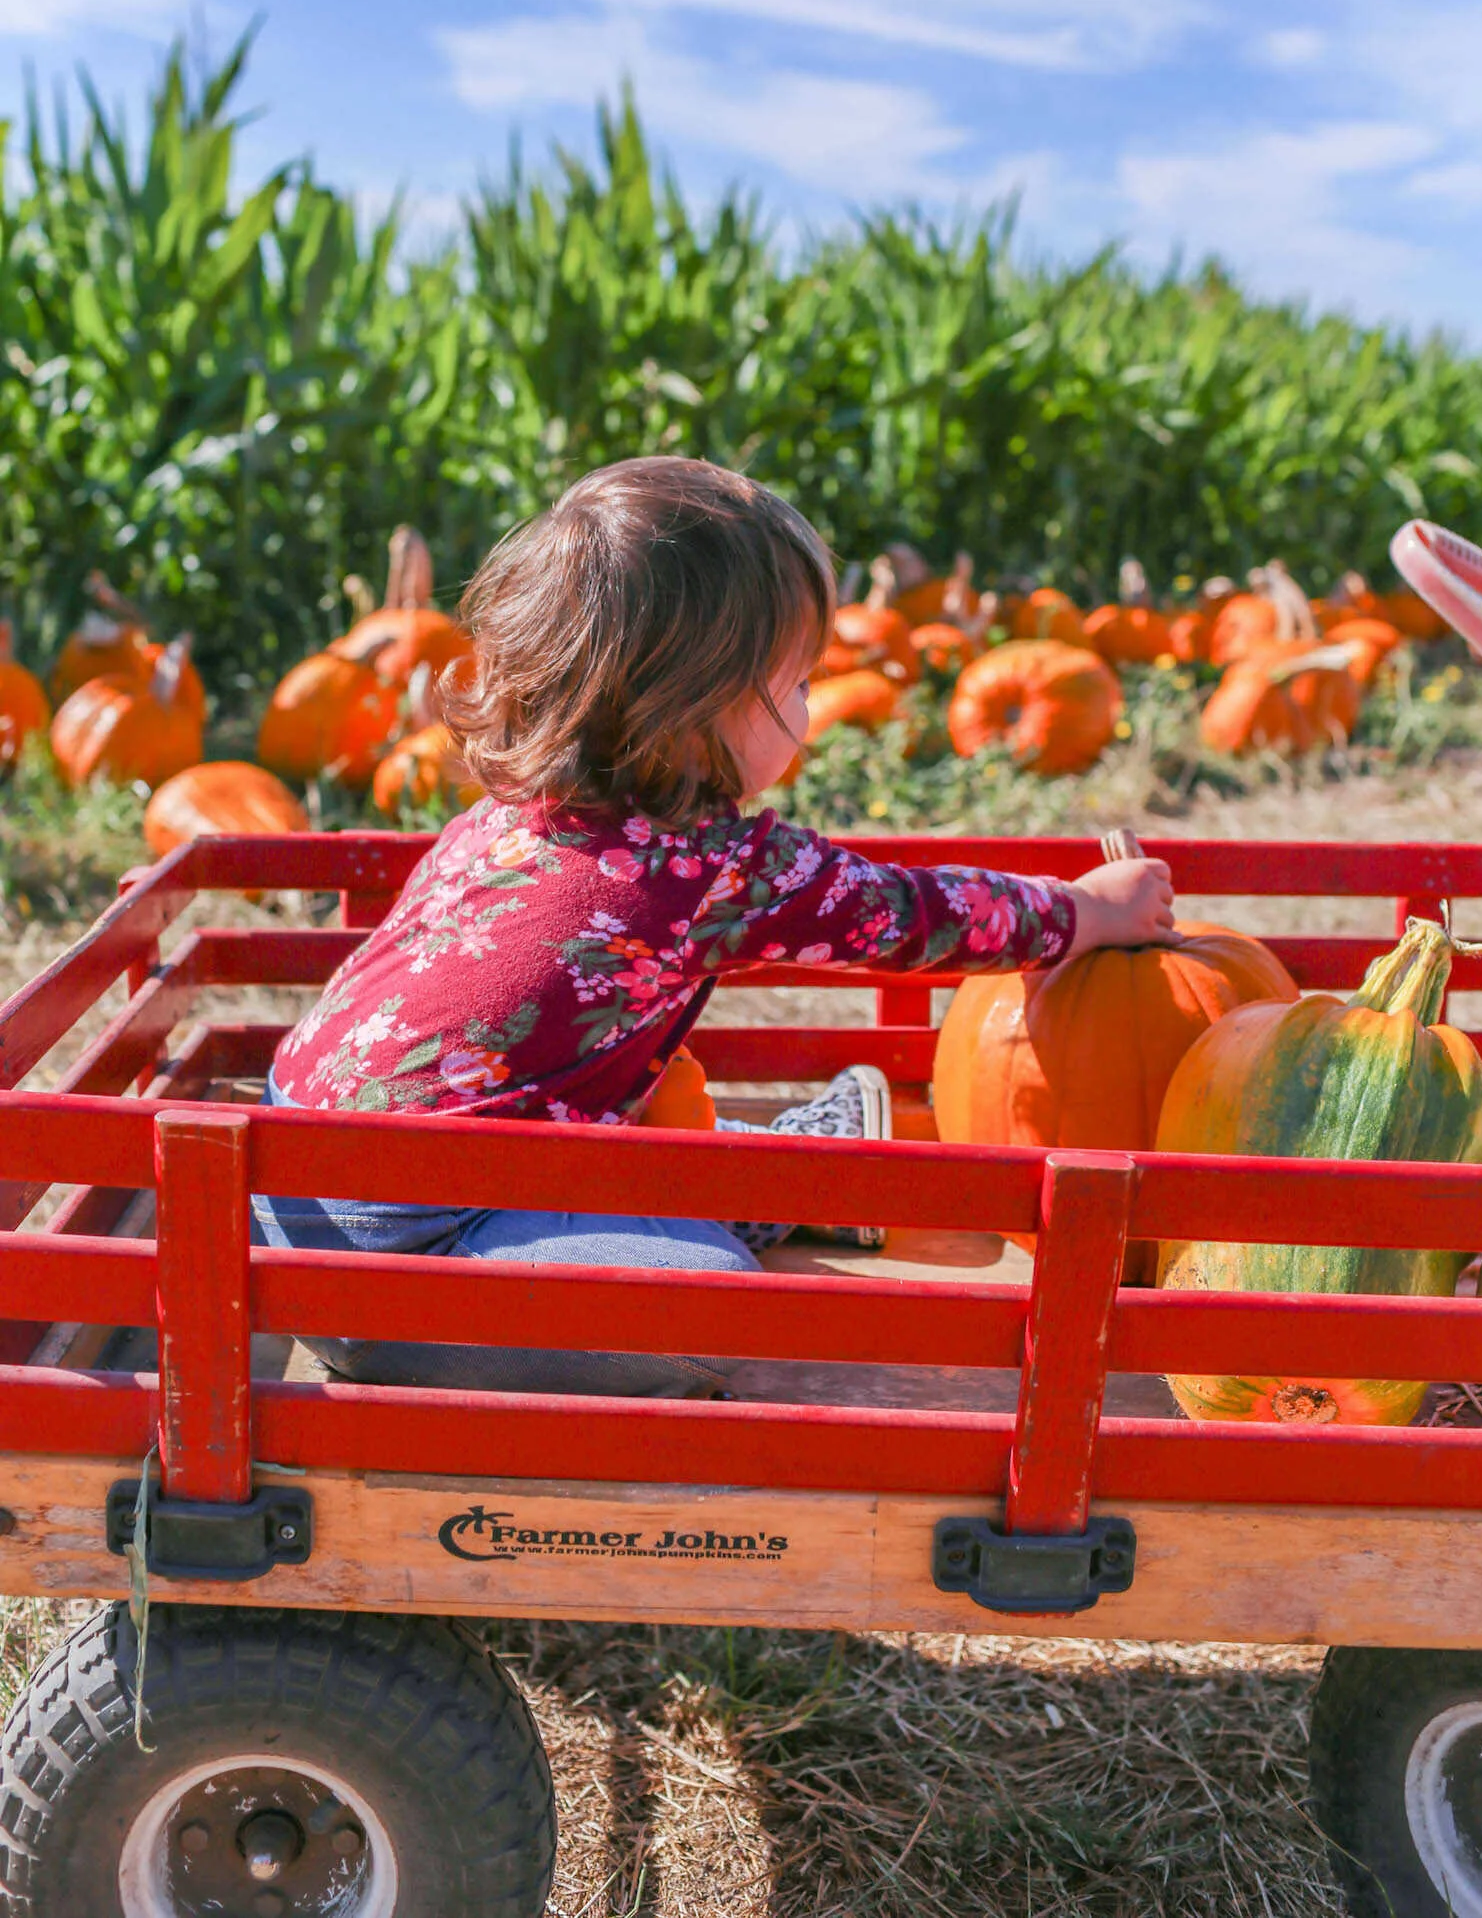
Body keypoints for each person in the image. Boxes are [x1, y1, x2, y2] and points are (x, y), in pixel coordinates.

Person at [256, 458, 1176, 1396]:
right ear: (705, 704)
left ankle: (767, 1175)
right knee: (713, 1299)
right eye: (802, 682)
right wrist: (1088, 912)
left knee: (637, 1129)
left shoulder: (497, 823)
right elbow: (917, 917)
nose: (814, 711)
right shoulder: (712, 867)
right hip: (405, 1270)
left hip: (279, 1205)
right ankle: (755, 1195)